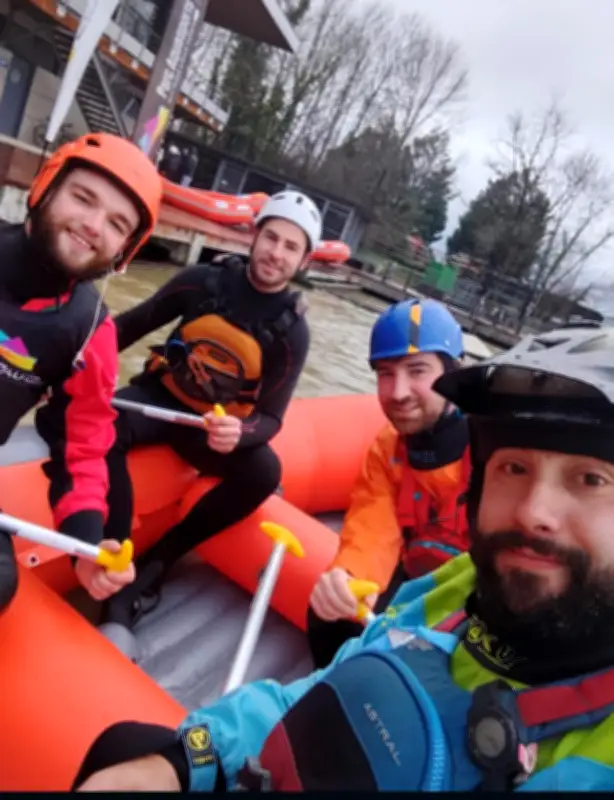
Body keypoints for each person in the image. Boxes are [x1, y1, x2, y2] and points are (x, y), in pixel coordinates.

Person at [73, 325, 614, 792]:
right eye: (513, 469)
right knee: (130, 746)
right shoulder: (462, 582)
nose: (534, 512)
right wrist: (186, 756)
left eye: (591, 480)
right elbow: (326, 683)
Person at [98, 190, 322, 632]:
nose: (276, 253)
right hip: (159, 400)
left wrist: (240, 433)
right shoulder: (203, 280)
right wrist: (75, 364)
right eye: (271, 237)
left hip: (210, 428)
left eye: (290, 246)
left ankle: (160, 561)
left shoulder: (293, 331)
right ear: (254, 236)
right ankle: (118, 551)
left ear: (304, 261)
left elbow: (272, 417)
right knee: (104, 424)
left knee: (264, 472)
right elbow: (129, 326)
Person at [0, 132, 163, 615]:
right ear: (47, 187)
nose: (93, 226)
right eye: (83, 198)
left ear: (125, 249)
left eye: (116, 223)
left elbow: (85, 448)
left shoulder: (92, 333)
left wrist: (86, 546)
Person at [308, 298, 471, 668]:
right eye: (385, 373)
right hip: (416, 575)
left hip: (475, 601)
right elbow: (372, 527)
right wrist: (351, 579)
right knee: (330, 619)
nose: (398, 392)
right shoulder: (388, 448)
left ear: (453, 374)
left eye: (417, 371)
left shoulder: (496, 453)